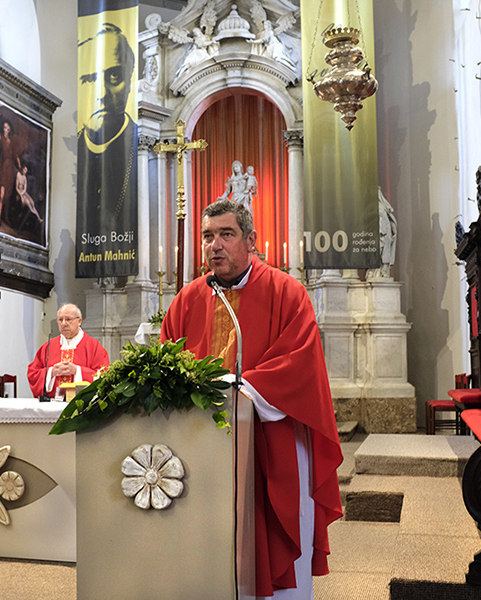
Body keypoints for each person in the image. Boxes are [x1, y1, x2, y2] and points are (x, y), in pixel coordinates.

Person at [160, 199, 343, 599]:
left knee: (274, 533)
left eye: (226, 234)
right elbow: (165, 364)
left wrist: (235, 389)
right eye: (207, 236)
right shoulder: (187, 300)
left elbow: (298, 362)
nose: (215, 245)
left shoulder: (287, 292)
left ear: (251, 240)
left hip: (272, 440)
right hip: (202, 444)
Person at [75, 22, 138, 277]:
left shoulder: (141, 149)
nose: (101, 93)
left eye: (113, 76)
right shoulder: (75, 154)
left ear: (130, 80)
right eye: (89, 79)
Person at [27, 304, 109, 399]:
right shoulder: (48, 346)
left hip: (82, 403)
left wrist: (77, 371)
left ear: (79, 321)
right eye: (60, 320)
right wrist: (51, 372)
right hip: (53, 402)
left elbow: (104, 377)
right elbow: (33, 374)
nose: (64, 323)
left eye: (68, 319)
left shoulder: (93, 346)